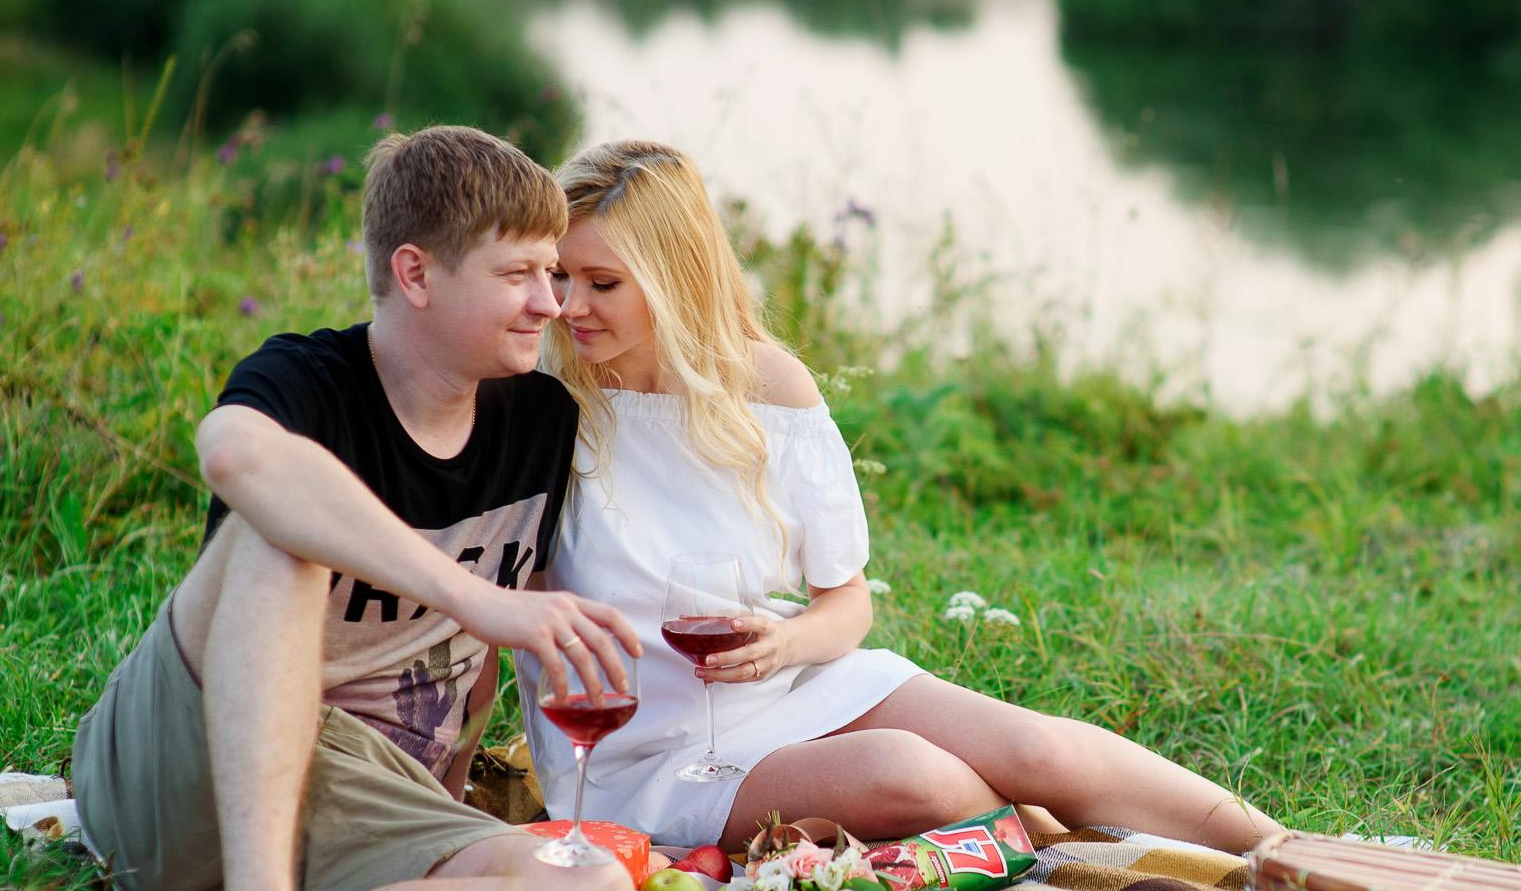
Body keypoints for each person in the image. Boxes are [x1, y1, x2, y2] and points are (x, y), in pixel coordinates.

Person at [519, 140, 1283, 854]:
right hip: (648, 749)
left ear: (675, 276)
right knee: (909, 773)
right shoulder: (539, 405)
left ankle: (1287, 852)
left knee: (1037, 748)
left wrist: (785, 642)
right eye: (559, 276)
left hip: (788, 683)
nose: (568, 305)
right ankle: (1043, 832)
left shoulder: (768, 389)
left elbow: (846, 601)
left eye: (601, 283)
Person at [71, 125, 642, 891]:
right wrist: (472, 598)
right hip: (187, 774)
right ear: (415, 274)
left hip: (359, 806)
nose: (551, 303)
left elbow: (473, 667)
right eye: (517, 274)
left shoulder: (540, 422)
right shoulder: (310, 383)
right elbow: (234, 457)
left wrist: (447, 802)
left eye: (554, 272)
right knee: (282, 528)